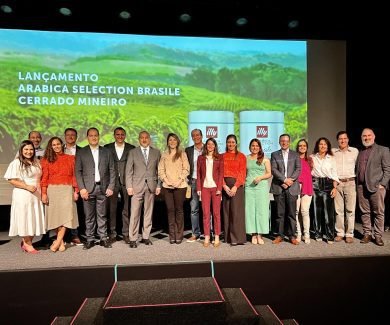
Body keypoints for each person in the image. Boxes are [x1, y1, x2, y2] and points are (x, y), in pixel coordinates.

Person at [75, 127, 116, 249]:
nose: (93, 137)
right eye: (91, 135)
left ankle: (103, 238)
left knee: (102, 215)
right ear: (87, 137)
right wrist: (81, 188)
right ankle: (90, 239)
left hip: (103, 188)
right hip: (87, 189)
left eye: (95, 135)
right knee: (89, 216)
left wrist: (111, 186)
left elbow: (112, 170)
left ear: (99, 137)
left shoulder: (106, 152)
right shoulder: (82, 152)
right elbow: (78, 171)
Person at [4, 140, 45, 254]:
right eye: (26, 149)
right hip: (23, 194)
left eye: (31, 149)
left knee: (33, 218)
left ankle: (28, 241)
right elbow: (11, 180)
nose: (29, 151)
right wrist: (27, 186)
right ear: (21, 150)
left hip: (36, 194)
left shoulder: (37, 162)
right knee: (25, 218)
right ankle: (27, 244)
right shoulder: (17, 162)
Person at [41, 137, 79, 252]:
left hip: (67, 190)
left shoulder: (71, 158)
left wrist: (76, 190)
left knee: (66, 217)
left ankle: (57, 241)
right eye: (53, 145)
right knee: (56, 217)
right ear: (50, 146)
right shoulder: (46, 160)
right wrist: (43, 193)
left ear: (62, 145)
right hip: (52, 190)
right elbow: (44, 178)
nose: (56, 146)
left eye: (58, 144)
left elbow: (74, 176)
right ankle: (61, 242)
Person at [126, 131, 161, 248]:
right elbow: (128, 171)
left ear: (149, 139)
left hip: (151, 186)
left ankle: (146, 236)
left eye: (146, 138)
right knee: (134, 213)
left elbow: (159, 171)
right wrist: (129, 186)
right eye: (142, 138)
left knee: (148, 213)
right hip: (136, 187)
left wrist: (159, 185)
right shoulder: (132, 152)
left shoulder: (156, 152)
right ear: (139, 139)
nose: (144, 140)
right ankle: (133, 238)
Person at [357, 128, 390, 246]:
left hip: (377, 187)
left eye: (369, 135)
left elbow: (387, 169)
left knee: (378, 212)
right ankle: (367, 234)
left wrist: (383, 184)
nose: (366, 138)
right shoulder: (360, 151)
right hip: (361, 186)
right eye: (364, 136)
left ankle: (378, 236)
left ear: (374, 136)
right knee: (364, 212)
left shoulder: (383, 150)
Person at [104, 127, 135, 243]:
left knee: (126, 209)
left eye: (122, 134)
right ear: (114, 135)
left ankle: (126, 233)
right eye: (118, 134)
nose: (120, 136)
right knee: (112, 209)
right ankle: (112, 234)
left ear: (125, 135)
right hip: (112, 183)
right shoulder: (107, 148)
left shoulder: (131, 148)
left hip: (127, 182)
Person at [158, 133, 190, 244]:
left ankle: (179, 235)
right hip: (167, 187)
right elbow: (160, 170)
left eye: (174, 140)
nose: (172, 142)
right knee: (170, 210)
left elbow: (186, 169)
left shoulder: (182, 154)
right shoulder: (164, 154)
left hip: (180, 186)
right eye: (170, 140)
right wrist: (167, 181)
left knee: (179, 210)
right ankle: (172, 235)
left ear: (178, 142)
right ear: (167, 142)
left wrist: (178, 181)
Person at [270, 134, 301, 245]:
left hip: (292, 187)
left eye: (286, 141)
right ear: (279, 142)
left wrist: (289, 181)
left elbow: (298, 169)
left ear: (289, 142)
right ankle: (280, 235)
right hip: (279, 187)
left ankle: (292, 236)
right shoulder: (274, 154)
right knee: (279, 214)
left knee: (292, 213)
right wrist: (284, 180)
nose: (284, 143)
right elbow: (273, 169)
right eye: (282, 141)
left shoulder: (295, 154)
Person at [311, 137, 339, 244]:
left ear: (328, 147)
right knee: (316, 210)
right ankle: (318, 233)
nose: (323, 146)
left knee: (329, 212)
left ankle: (329, 235)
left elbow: (335, 173)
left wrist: (335, 188)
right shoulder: (312, 157)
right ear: (317, 145)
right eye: (321, 144)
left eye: (325, 144)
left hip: (328, 184)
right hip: (315, 184)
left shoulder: (331, 158)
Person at [332, 131, 359, 243]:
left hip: (350, 182)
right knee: (338, 210)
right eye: (340, 139)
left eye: (344, 138)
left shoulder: (355, 151)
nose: (342, 141)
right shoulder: (333, 152)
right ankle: (340, 233)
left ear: (348, 140)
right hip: (337, 183)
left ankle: (349, 233)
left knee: (350, 210)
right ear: (337, 140)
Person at [196, 138, 224, 247]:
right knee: (206, 214)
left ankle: (217, 236)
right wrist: (199, 188)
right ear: (206, 145)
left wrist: (219, 188)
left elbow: (221, 173)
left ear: (215, 146)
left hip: (215, 188)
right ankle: (207, 236)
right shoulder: (201, 158)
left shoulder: (219, 157)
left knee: (216, 214)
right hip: (204, 188)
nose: (210, 146)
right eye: (208, 144)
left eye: (212, 144)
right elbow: (198, 174)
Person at [245, 139, 271, 245]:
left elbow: (269, 173)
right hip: (249, 187)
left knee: (261, 211)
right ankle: (253, 234)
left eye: (256, 146)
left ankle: (260, 234)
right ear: (250, 147)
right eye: (253, 145)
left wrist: (260, 177)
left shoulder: (265, 159)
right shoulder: (246, 158)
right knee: (250, 211)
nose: (254, 147)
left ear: (259, 147)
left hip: (261, 187)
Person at [222, 134, 247, 246]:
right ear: (226, 144)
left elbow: (242, 173)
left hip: (237, 187)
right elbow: (219, 173)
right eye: (229, 142)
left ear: (236, 143)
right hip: (225, 187)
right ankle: (228, 238)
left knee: (236, 213)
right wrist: (224, 186)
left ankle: (237, 238)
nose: (231, 144)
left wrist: (236, 186)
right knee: (227, 212)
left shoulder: (241, 156)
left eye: (232, 142)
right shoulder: (221, 156)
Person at [63, 127, 84, 246]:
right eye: (68, 135)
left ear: (76, 137)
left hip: (78, 184)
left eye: (73, 135)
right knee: (64, 211)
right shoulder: (58, 150)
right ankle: (64, 236)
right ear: (64, 137)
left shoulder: (82, 150)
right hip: (62, 185)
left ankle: (76, 235)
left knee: (77, 210)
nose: (70, 137)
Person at [185, 129, 204, 242]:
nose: (196, 137)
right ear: (192, 138)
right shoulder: (188, 150)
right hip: (193, 181)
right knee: (194, 209)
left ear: (202, 136)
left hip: (207, 182)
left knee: (208, 209)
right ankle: (195, 233)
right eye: (194, 136)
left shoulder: (209, 147)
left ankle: (209, 233)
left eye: (198, 135)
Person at [295, 139, 313, 244]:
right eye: (300, 145)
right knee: (296, 212)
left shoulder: (310, 159)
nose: (302, 147)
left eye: (304, 145)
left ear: (306, 147)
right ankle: (298, 233)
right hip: (296, 187)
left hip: (307, 187)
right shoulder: (294, 159)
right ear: (297, 147)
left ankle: (307, 234)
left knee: (305, 212)